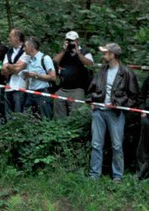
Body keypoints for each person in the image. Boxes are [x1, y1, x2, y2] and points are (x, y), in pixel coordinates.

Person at [86, 42, 139, 181]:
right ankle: (94, 175)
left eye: (105, 53)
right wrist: (92, 101)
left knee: (117, 146)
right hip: (98, 111)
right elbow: (91, 89)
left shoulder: (126, 73)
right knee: (96, 144)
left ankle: (117, 176)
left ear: (112, 55)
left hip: (115, 114)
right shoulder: (102, 70)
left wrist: (120, 105)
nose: (103, 55)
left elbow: (134, 97)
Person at [53, 31, 94, 119]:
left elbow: (90, 64)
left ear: (77, 41)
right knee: (59, 114)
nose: (70, 43)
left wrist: (78, 53)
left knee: (76, 115)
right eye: (68, 41)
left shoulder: (85, 52)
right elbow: (54, 62)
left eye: (72, 41)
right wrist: (64, 50)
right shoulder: (64, 53)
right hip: (63, 89)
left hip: (77, 89)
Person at [22, 36, 56, 119]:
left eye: (25, 46)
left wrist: (35, 76)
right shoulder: (29, 60)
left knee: (45, 118)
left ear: (32, 47)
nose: (23, 49)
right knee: (28, 118)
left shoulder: (45, 58)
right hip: (31, 93)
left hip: (42, 93)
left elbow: (53, 77)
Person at [1, 28, 29, 120]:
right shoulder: (9, 52)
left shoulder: (26, 51)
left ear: (17, 38)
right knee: (8, 114)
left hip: (20, 86)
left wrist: (9, 66)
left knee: (19, 114)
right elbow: (2, 70)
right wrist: (12, 67)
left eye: (10, 37)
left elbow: (18, 69)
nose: (8, 39)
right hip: (9, 86)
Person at [136, 76, 149, 180]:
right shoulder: (148, 79)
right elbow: (141, 97)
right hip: (147, 118)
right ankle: (141, 173)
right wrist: (143, 112)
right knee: (144, 146)